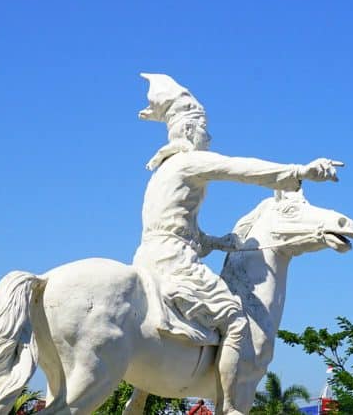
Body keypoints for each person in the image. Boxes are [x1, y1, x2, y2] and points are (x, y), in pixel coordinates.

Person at [134, 73, 340, 413]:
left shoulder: (162, 172)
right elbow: (241, 169)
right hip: (173, 261)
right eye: (204, 129)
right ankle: (230, 406)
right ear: (190, 130)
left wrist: (214, 241)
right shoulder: (188, 160)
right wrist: (300, 172)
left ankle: (137, 398)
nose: (208, 136)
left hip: (146, 258)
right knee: (234, 319)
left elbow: (174, 227)